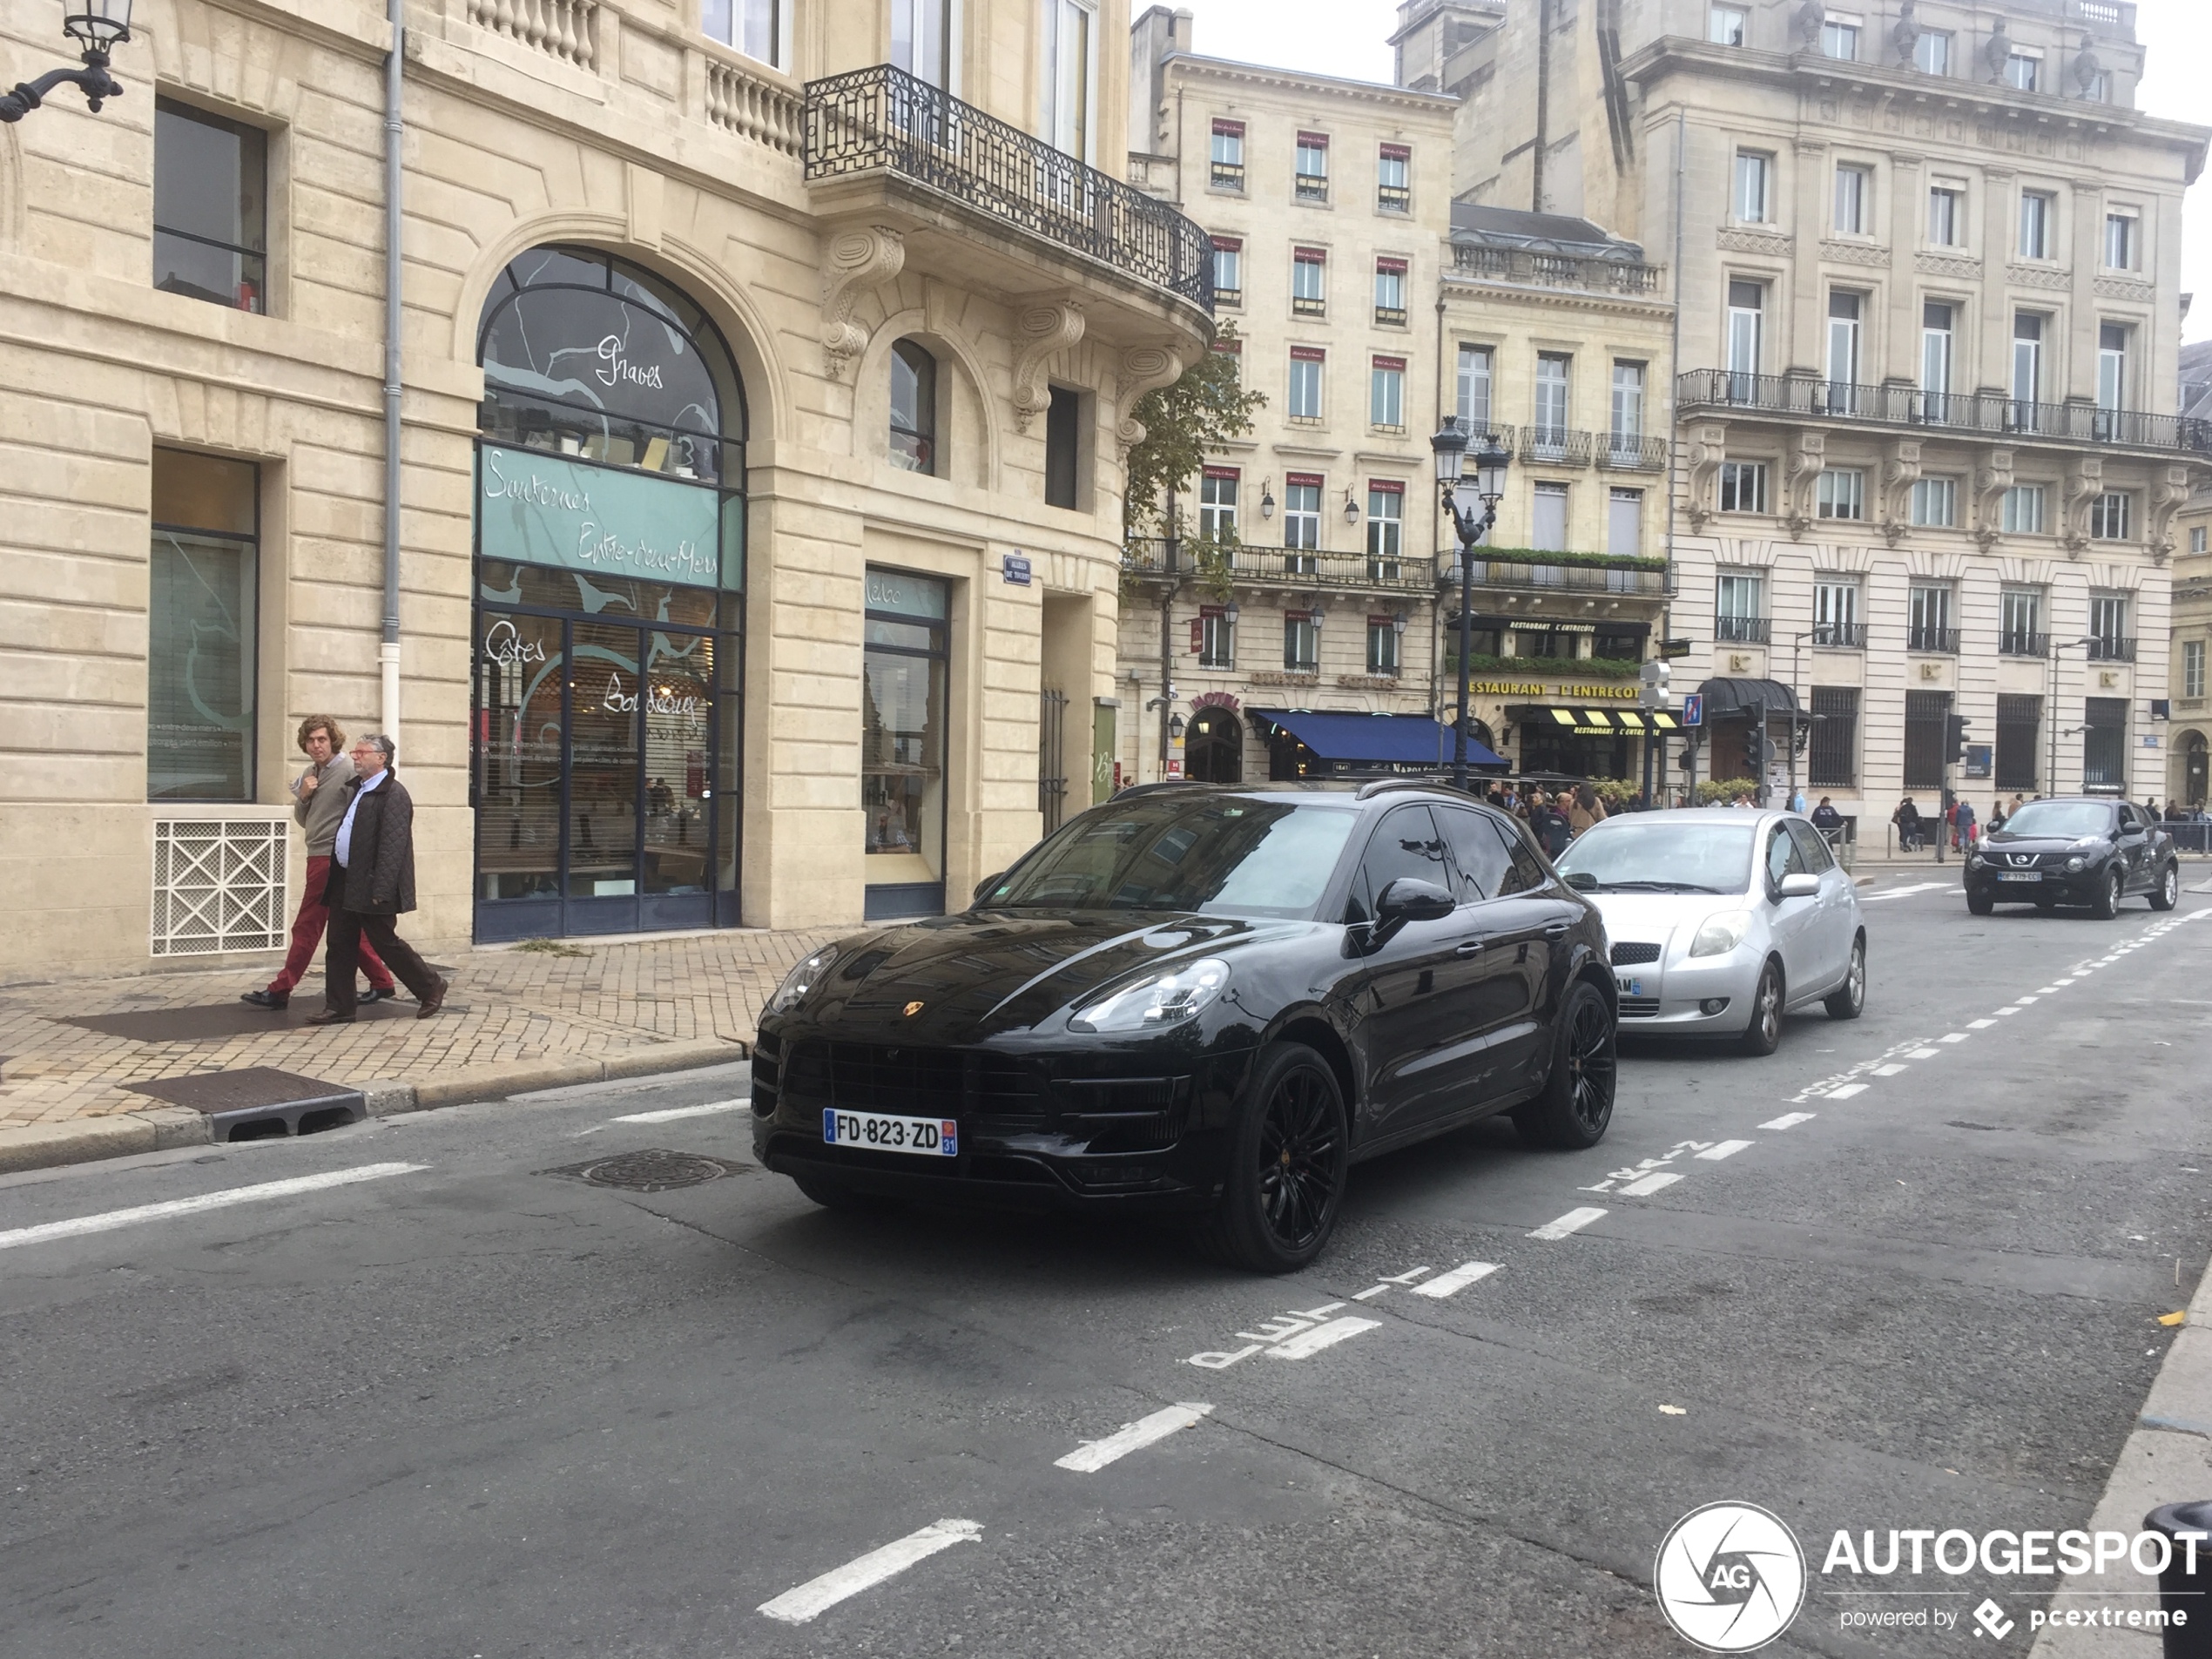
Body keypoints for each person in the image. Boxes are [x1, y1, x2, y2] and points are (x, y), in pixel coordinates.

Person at [240, 716, 395, 1012]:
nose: (316, 745)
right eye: (311, 740)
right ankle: (382, 981)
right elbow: (304, 819)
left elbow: (364, 811)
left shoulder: (348, 770)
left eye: (322, 739)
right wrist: (304, 796)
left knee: (307, 925)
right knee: (348, 926)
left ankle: (281, 989)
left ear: (332, 741)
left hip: (332, 859)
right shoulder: (311, 773)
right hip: (317, 855)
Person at [309, 734, 448, 1025]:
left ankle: (430, 985)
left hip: (371, 884)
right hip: (345, 879)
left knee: (385, 942)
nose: (355, 756)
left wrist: (382, 889)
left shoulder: (393, 794)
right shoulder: (358, 788)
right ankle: (340, 1007)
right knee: (339, 944)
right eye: (355, 751)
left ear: (381, 758)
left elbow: (393, 846)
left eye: (361, 752)